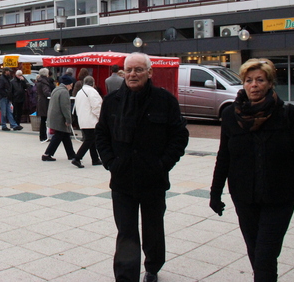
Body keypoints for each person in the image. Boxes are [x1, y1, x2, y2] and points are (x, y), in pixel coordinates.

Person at [209, 58, 294, 282]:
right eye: (249, 80)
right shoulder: (231, 114)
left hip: (279, 197)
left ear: (270, 83)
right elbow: (224, 157)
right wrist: (215, 192)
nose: (254, 85)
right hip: (244, 197)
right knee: (255, 251)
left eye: (260, 80)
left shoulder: (287, 113)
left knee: (265, 255)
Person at [95, 52, 189, 282]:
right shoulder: (112, 101)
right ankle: (127, 276)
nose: (132, 74)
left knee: (153, 230)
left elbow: (179, 137)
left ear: (149, 72)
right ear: (123, 73)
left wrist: (163, 164)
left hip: (153, 179)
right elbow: (101, 135)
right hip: (122, 179)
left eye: (138, 70)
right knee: (126, 231)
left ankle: (153, 267)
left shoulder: (164, 100)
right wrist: (111, 162)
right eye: (128, 70)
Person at [41, 75, 76, 162]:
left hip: (54, 116)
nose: (71, 88)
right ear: (67, 84)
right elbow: (65, 107)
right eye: (71, 85)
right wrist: (68, 119)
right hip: (60, 118)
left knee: (65, 135)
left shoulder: (56, 89)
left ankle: (71, 154)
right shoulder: (64, 92)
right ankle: (47, 154)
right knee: (58, 136)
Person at [71, 75, 102, 168]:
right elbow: (96, 106)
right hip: (91, 120)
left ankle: (95, 159)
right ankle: (77, 158)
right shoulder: (92, 91)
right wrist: (101, 118)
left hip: (83, 119)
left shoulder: (80, 92)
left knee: (91, 139)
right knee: (89, 140)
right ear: (93, 83)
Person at [36, 68, 54, 142]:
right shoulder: (44, 82)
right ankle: (44, 136)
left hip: (41, 101)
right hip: (44, 102)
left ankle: (42, 135)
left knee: (43, 120)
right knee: (44, 119)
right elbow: (46, 92)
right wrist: (52, 95)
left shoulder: (39, 81)